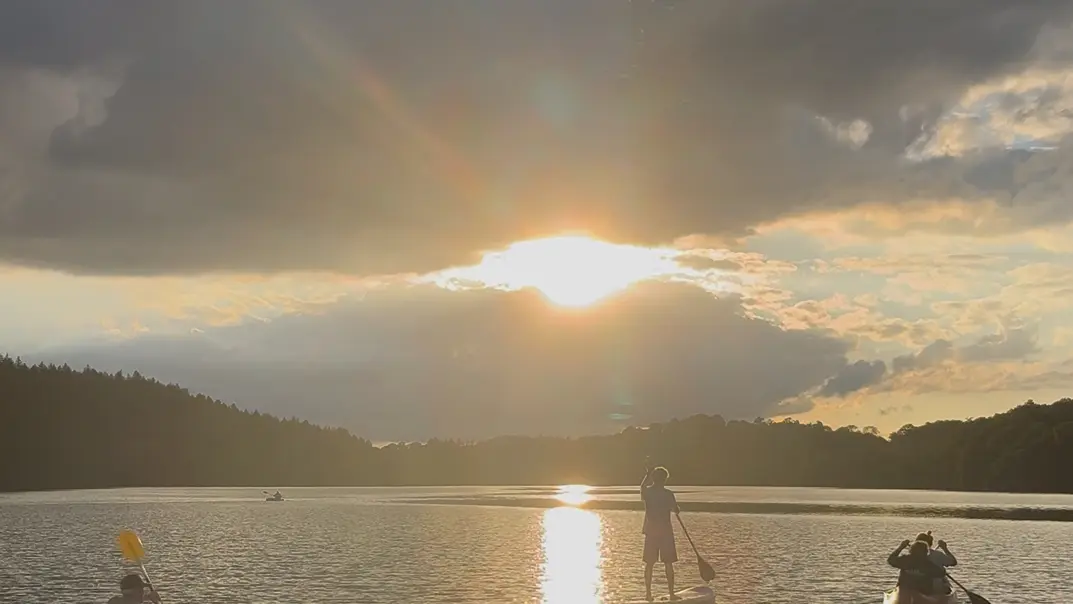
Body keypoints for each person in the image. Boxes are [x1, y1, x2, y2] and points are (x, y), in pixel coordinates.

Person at [641, 461, 681, 602]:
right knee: (668, 563)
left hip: (651, 532)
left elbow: (642, 487)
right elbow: (676, 509)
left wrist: (647, 474)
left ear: (653, 478)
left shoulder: (648, 492)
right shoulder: (668, 494)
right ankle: (671, 594)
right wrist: (676, 509)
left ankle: (648, 594)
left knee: (649, 564)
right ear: (665, 479)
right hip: (665, 532)